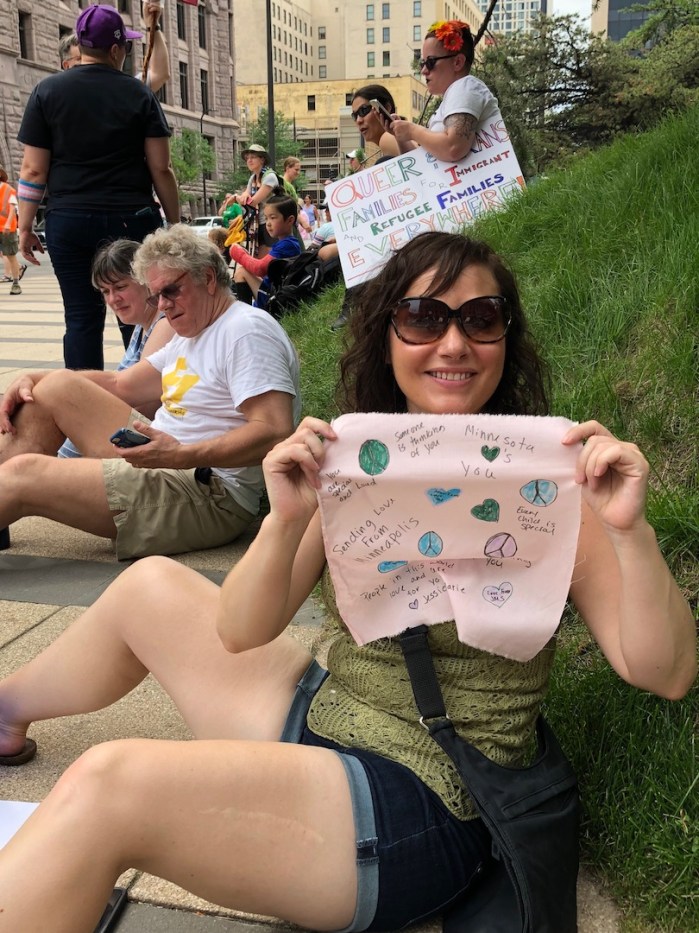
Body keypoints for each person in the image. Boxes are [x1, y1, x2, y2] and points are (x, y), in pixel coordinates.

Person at [0, 232, 693, 933]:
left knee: (109, 786)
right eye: (423, 316)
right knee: (149, 586)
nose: (453, 343)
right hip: (326, 713)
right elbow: (241, 629)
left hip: (425, 797)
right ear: (386, 333)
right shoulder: (353, 463)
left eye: (480, 318)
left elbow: (662, 671)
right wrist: (287, 518)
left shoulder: (553, 486)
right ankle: (5, 710)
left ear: (505, 338)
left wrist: (628, 532)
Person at [0, 225, 300, 559]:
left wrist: (181, 455)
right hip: (164, 459)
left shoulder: (246, 332)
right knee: (55, 387)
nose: (163, 306)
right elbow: (122, 385)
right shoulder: (192, 331)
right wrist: (32, 376)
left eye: (171, 291)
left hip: (210, 493)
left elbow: (274, 431)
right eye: (156, 296)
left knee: (23, 474)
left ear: (209, 278)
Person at [17, 4, 179, 370]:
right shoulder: (138, 94)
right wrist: (175, 220)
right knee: (140, 313)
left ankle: (82, 406)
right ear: (117, 50)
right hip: (131, 219)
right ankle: (143, 400)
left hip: (68, 220)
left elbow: (32, 170)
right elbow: (161, 167)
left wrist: (24, 226)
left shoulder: (46, 92)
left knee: (80, 318)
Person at [58, 239, 175, 459]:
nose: (113, 299)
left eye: (121, 287)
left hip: (136, 441)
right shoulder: (141, 326)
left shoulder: (164, 324)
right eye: (105, 291)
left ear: (146, 282)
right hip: (119, 431)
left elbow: (143, 404)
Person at [388, 21, 503, 163]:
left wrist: (412, 131)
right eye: (422, 63)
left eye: (430, 62)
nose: (424, 71)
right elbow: (426, 164)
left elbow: (453, 148)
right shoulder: (453, 97)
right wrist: (401, 136)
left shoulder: (465, 87)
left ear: (457, 62)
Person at [59, 2, 170, 93]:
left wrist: (153, 25)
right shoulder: (55, 95)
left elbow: (160, 74)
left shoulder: (129, 90)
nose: (88, 63)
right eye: (81, 58)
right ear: (66, 65)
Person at [229, 192, 301, 309]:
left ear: (289, 220)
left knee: (241, 272)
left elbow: (260, 268)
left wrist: (239, 254)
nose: (268, 223)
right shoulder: (288, 242)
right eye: (266, 218)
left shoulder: (287, 244)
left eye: (273, 218)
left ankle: (247, 313)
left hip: (274, 298)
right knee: (243, 270)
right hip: (275, 292)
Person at [236, 143, 280, 273]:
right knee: (259, 263)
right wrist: (243, 195)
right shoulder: (253, 178)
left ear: (262, 159)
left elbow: (252, 202)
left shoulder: (270, 177)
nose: (249, 160)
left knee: (271, 263)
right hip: (259, 223)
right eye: (247, 158)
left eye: (253, 157)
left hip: (271, 222)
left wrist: (236, 197)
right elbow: (247, 195)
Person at [349, 85, 400, 165]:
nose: (359, 120)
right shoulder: (397, 139)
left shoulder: (387, 138)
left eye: (364, 110)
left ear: (386, 108)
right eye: (355, 116)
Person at [0, 167, 23, 295]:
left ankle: (15, 283)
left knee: (10, 255)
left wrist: (8, 223)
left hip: (7, 229)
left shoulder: (9, 189)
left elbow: (12, 208)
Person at [281, 156, 311, 243]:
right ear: (287, 168)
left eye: (299, 170)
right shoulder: (284, 184)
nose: (298, 173)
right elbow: (289, 208)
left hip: (292, 224)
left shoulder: (289, 185)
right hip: (288, 226)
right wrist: (303, 222)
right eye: (296, 169)